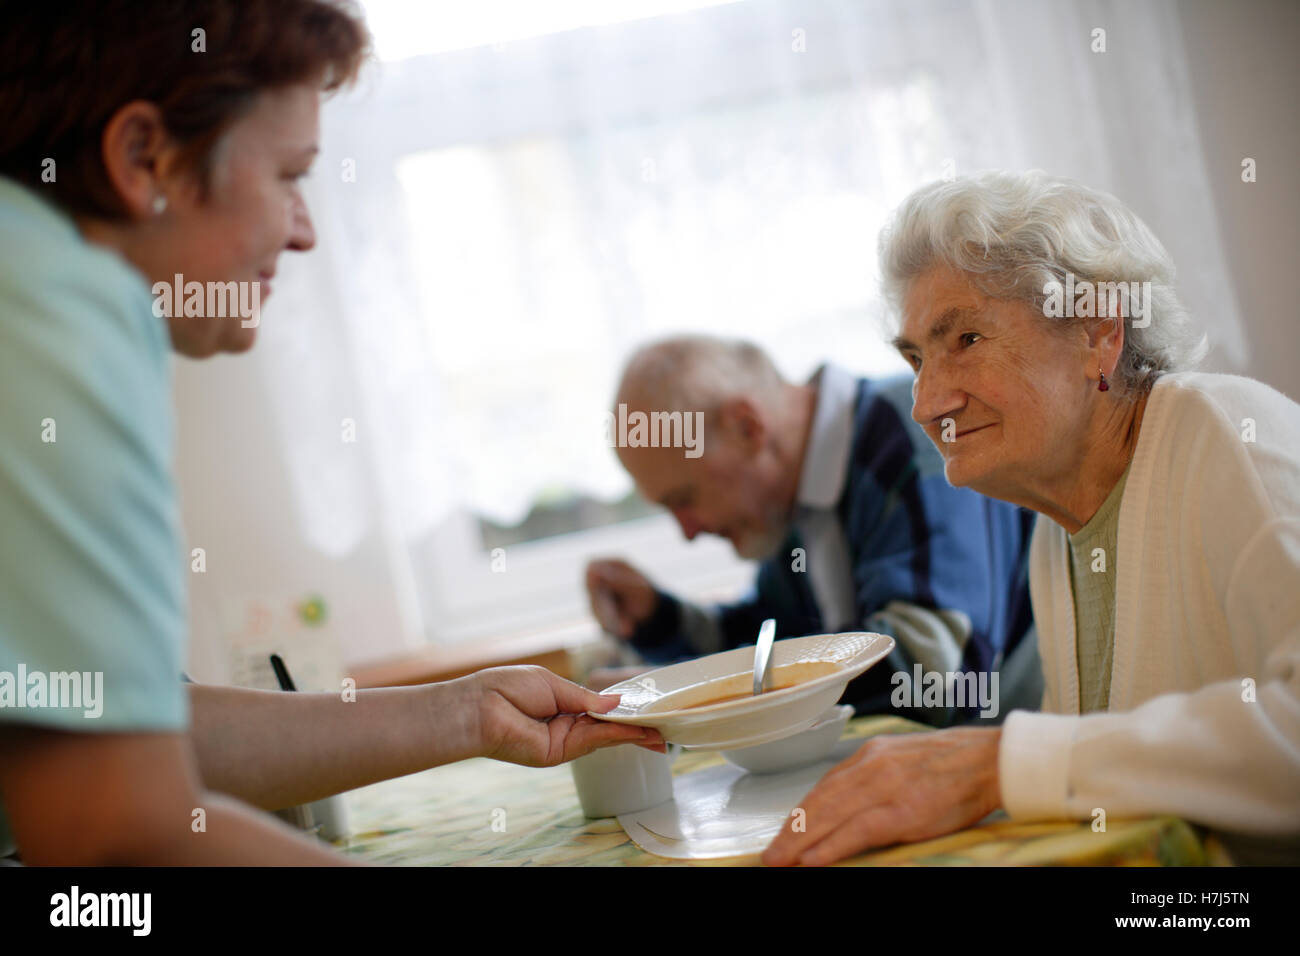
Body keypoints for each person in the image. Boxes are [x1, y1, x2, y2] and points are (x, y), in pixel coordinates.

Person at [0, 0, 661, 866]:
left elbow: (122, 735)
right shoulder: (57, 313)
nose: (303, 230)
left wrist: (465, 713)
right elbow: (121, 831)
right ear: (141, 157)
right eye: (288, 174)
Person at [763, 170, 1300, 866]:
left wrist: (998, 763)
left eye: (966, 341)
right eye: (918, 357)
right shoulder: (1060, 526)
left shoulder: (1229, 432)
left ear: (1098, 333)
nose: (926, 405)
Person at [586, 335, 1041, 726]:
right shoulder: (793, 505)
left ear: (747, 425)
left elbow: (935, 676)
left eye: (683, 499)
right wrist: (659, 617)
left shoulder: (914, 435)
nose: (687, 532)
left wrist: (694, 695)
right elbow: (771, 642)